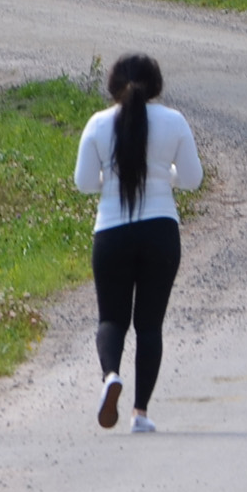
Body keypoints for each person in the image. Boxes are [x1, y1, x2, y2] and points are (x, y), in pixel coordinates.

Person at [74, 53, 203, 433]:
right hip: (160, 231)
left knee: (111, 318)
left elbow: (84, 182)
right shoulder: (174, 121)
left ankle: (110, 375)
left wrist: (111, 182)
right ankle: (140, 413)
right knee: (150, 325)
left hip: (111, 231)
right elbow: (193, 179)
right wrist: (165, 175)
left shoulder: (98, 123)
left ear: (113, 83)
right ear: (156, 84)